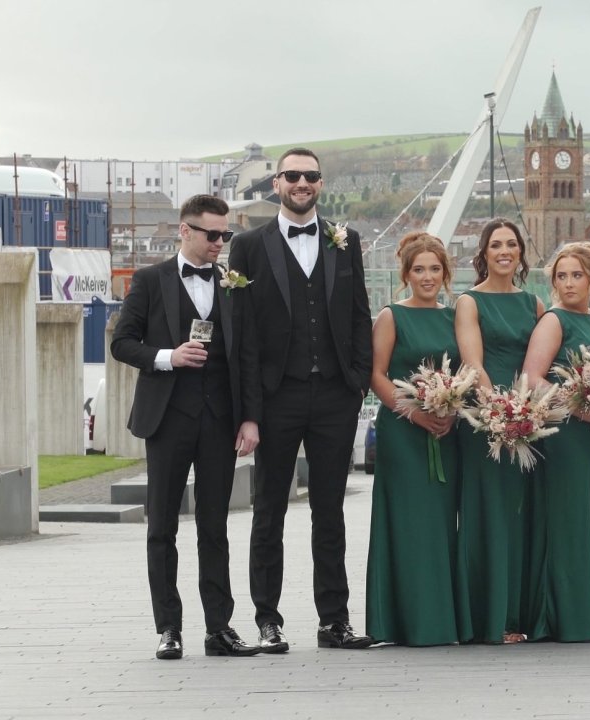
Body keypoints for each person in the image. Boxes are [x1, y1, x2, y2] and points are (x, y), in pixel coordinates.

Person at [227, 147, 375, 652]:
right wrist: (249, 409)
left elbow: (360, 314)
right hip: (276, 397)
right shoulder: (248, 245)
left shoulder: (345, 240)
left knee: (330, 512)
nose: (302, 183)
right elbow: (241, 330)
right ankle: (268, 620)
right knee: (269, 510)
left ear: (320, 183)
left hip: (335, 395)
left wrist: (356, 382)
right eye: (292, 175)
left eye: (310, 176)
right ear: (276, 183)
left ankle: (335, 620)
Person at [110, 194, 261, 660]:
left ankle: (219, 628)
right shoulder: (150, 280)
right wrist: (167, 357)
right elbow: (121, 343)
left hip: (219, 420)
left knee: (215, 527)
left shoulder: (234, 284)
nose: (220, 243)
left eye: (225, 235)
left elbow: (249, 355)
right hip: (168, 418)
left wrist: (251, 418)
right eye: (212, 234)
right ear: (185, 231)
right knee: (162, 526)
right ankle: (168, 628)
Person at [364, 232, 463, 646]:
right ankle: (405, 623)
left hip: (447, 432)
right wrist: (415, 413)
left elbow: (465, 371)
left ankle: (441, 619)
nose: (427, 276)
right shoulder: (391, 315)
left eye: (434, 269)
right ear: (406, 274)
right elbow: (376, 374)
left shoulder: (453, 316)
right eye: (419, 269)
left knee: (441, 524)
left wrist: (451, 409)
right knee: (408, 523)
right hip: (403, 434)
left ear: (445, 274)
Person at [453, 218, 544, 645]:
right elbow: (473, 365)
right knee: (489, 513)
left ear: (521, 253)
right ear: (483, 253)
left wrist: (529, 412)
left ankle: (520, 615)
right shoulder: (470, 302)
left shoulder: (534, 305)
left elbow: (543, 363)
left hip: (530, 422)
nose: (504, 251)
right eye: (496, 245)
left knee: (522, 514)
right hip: (486, 421)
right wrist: (500, 413)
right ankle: (491, 619)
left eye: (512, 244)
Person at [521, 241, 590, 642]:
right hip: (565, 434)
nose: (569, 283)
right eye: (562, 276)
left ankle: (589, 616)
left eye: (577, 275)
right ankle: (563, 618)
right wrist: (576, 404)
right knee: (568, 522)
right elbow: (532, 378)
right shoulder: (554, 320)